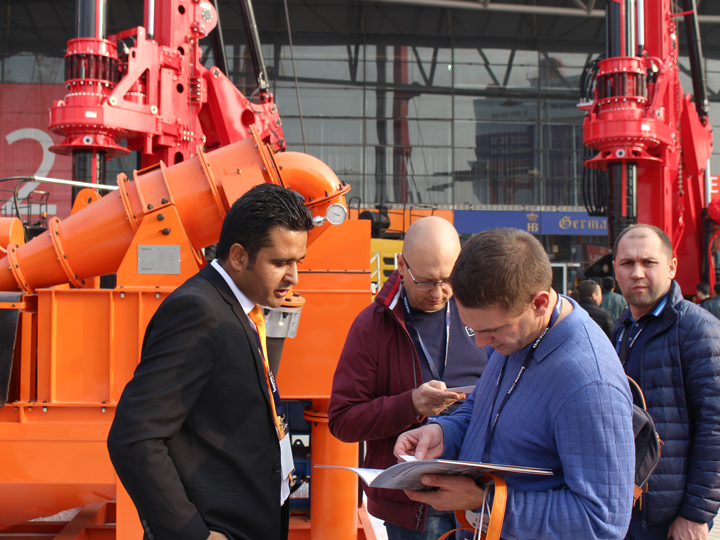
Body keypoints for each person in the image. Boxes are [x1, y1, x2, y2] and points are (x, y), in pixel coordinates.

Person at [394, 228, 635, 540]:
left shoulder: (589, 384)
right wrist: (444, 432)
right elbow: (483, 408)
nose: (482, 343)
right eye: (472, 329)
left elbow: (601, 522)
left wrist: (484, 502)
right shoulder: (520, 332)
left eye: (492, 330)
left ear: (539, 303)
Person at [107, 183, 314, 540]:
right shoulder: (198, 311)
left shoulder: (239, 308)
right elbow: (134, 437)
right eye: (280, 262)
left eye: (298, 262)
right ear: (239, 256)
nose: (293, 276)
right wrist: (192, 535)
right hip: (218, 526)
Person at [328, 216, 487, 539]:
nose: (438, 292)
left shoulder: (482, 310)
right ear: (401, 265)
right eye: (425, 281)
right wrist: (410, 405)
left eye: (448, 279)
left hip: (482, 493)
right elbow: (343, 420)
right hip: (415, 504)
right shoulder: (372, 326)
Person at [612, 224, 720, 540]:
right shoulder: (623, 328)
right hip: (628, 509)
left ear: (671, 267)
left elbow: (715, 426)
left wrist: (696, 514)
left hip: (671, 519)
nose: (637, 273)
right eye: (627, 263)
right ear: (615, 268)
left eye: (648, 262)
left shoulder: (697, 330)